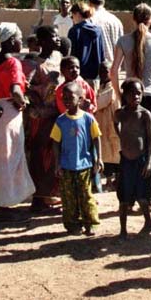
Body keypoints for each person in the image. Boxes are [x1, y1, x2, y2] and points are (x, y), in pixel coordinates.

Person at [111, 4, 151, 207]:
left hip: (130, 97)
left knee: (131, 147)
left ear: (133, 19)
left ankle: (129, 198)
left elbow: (113, 71)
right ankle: (150, 197)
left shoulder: (123, 41)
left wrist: (120, 95)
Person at [0, 23, 35, 210]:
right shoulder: (13, 63)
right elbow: (15, 91)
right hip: (8, 116)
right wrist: (24, 103)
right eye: (19, 38)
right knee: (11, 159)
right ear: (11, 40)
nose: (21, 41)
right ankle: (7, 205)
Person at [51, 82, 102, 235]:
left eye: (70, 97)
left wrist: (98, 159)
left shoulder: (88, 119)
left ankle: (91, 223)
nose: (66, 100)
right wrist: (57, 163)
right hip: (66, 166)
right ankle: (72, 224)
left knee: (86, 196)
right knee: (68, 198)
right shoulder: (60, 121)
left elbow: (96, 138)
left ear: (80, 99)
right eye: (63, 97)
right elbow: (55, 143)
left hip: (84, 165)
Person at [23, 25, 63, 211]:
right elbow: (25, 87)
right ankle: (38, 199)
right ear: (43, 41)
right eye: (53, 37)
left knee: (53, 156)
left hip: (57, 114)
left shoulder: (58, 59)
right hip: (40, 117)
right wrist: (38, 98)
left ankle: (50, 195)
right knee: (39, 155)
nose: (57, 39)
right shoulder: (34, 64)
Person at [114, 78, 151, 238]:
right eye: (132, 94)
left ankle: (148, 222)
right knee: (123, 197)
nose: (136, 97)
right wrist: (121, 137)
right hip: (125, 160)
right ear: (125, 95)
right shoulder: (121, 113)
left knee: (142, 196)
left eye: (139, 93)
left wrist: (149, 162)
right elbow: (115, 123)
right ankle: (123, 230)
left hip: (141, 161)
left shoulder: (145, 114)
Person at [95, 61, 121, 189]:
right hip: (103, 125)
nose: (103, 73)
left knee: (114, 154)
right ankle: (109, 180)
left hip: (111, 125)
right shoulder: (102, 87)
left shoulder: (112, 88)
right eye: (101, 71)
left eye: (106, 71)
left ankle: (115, 180)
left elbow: (99, 103)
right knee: (107, 155)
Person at [67, 1, 105, 85]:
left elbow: (72, 54)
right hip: (95, 77)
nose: (72, 19)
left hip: (79, 77)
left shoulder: (74, 31)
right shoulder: (98, 30)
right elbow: (102, 54)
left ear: (77, 14)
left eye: (72, 16)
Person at [87, 0, 123, 67]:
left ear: (89, 3)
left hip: (94, 68)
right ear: (103, 2)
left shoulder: (88, 20)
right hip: (111, 67)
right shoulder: (115, 20)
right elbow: (121, 47)